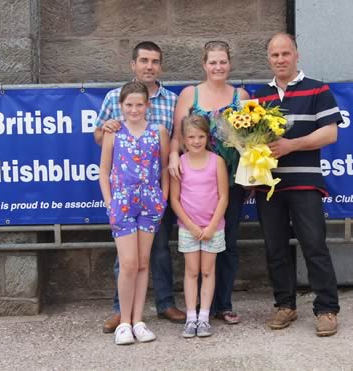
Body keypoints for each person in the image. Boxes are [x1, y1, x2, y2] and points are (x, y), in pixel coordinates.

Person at [253, 32, 342, 337]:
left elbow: (330, 134)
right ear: (268, 59)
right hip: (269, 186)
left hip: (305, 183)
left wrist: (292, 145)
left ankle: (327, 308)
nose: (280, 60)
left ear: (296, 55)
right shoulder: (258, 96)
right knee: (275, 248)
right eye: (275, 55)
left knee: (314, 246)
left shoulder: (318, 89)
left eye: (285, 54)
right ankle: (284, 305)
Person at [94, 41, 185, 334]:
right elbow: (100, 138)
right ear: (133, 64)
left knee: (158, 251)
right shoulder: (113, 97)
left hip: (154, 191)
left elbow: (175, 140)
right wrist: (106, 128)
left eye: (155, 61)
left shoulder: (171, 100)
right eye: (144, 60)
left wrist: (165, 193)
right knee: (127, 258)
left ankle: (163, 304)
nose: (149, 66)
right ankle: (121, 312)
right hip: (125, 195)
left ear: (160, 65)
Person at [168, 41, 250, 324]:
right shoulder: (191, 94)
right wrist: (172, 158)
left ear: (230, 64)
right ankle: (199, 308)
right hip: (195, 184)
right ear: (204, 64)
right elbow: (178, 135)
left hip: (231, 182)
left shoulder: (241, 95)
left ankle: (222, 304)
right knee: (195, 244)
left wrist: (253, 175)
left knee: (227, 241)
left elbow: (252, 140)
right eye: (212, 62)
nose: (218, 67)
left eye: (223, 62)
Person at [99, 81, 169, 345]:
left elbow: (163, 168)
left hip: (150, 204)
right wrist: (110, 202)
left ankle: (138, 320)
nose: (134, 109)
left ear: (147, 105)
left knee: (142, 262)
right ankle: (124, 322)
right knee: (127, 263)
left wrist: (162, 199)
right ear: (121, 106)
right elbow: (104, 171)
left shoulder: (158, 131)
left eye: (139, 104)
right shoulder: (114, 133)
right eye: (129, 104)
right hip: (123, 203)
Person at [171, 115, 229, 338]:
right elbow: (174, 200)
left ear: (208, 137)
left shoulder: (217, 161)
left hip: (214, 227)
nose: (196, 141)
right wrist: (191, 226)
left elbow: (223, 196)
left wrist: (212, 226)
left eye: (201, 136)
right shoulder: (180, 164)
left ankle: (204, 317)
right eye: (191, 137)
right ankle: (191, 317)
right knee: (192, 271)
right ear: (184, 140)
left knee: (207, 271)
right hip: (188, 228)